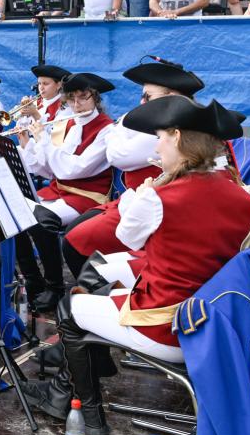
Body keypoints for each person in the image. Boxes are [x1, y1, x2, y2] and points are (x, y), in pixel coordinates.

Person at [23, 95, 250, 435]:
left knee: (69, 308)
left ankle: (88, 415)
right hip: (213, 323)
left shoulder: (157, 198)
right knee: (99, 282)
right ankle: (73, 385)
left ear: (178, 139)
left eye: (161, 137)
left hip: (164, 324)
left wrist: (147, 193)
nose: (157, 145)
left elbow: (129, 237)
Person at [61, 59, 205, 280]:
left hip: (151, 206)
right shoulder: (155, 121)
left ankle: (101, 290)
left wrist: (117, 132)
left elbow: (118, 156)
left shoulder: (172, 130)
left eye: (148, 96)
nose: (141, 101)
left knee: (73, 242)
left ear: (171, 97)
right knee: (73, 234)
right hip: (133, 198)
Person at [17, 73, 115, 311]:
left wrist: (44, 139)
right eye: (71, 100)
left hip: (87, 196)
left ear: (95, 99)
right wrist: (28, 144)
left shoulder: (107, 129)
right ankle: (33, 279)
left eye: (83, 98)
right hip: (60, 191)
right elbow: (48, 169)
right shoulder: (70, 124)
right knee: (15, 212)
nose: (76, 105)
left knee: (41, 221)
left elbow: (74, 169)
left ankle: (55, 286)